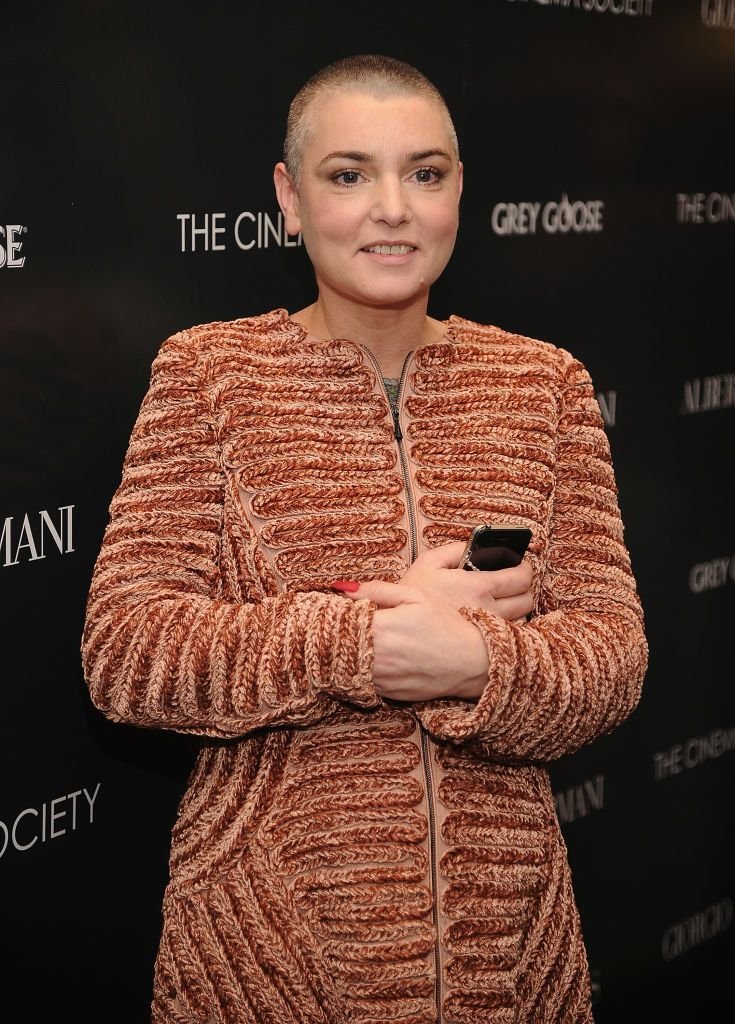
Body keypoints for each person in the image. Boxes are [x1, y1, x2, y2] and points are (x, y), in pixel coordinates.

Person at [82, 55, 647, 1024]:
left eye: (425, 173)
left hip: (505, 951)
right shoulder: (210, 375)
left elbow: (612, 658)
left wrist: (473, 658)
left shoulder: (544, 384)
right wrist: (369, 645)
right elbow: (129, 653)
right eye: (349, 174)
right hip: (268, 953)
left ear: (459, 191)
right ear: (289, 198)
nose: (393, 207)